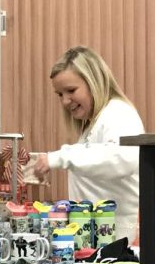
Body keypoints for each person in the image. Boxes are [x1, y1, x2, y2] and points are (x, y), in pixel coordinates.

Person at [34, 46, 145, 242]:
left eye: (71, 90)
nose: (65, 101)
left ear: (94, 81)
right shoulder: (93, 125)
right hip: (104, 238)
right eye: (60, 94)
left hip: (122, 239)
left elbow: (124, 158)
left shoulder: (118, 113)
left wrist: (60, 157)